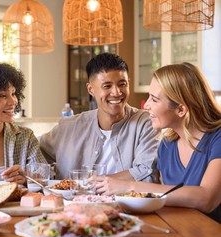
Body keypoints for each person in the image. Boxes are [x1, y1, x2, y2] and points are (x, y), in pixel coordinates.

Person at [95, 62, 221, 223]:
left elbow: (207, 199)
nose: (146, 105)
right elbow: (171, 199)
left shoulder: (217, 138)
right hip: (183, 233)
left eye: (154, 99)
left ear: (181, 110)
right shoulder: (167, 145)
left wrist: (129, 187)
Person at [39, 53, 160, 181]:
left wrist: (98, 182)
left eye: (122, 84)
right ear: (91, 89)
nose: (117, 92)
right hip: (73, 200)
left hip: (126, 200)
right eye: (107, 86)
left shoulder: (146, 122)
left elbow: (147, 170)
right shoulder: (68, 127)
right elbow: (34, 152)